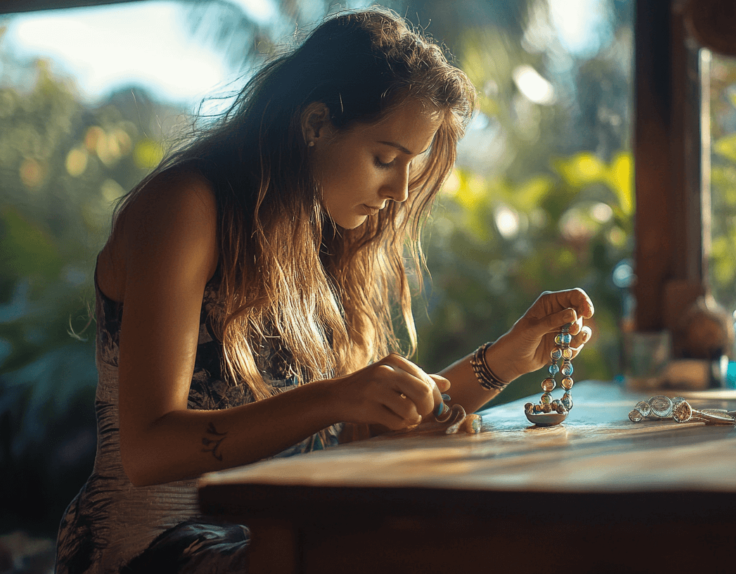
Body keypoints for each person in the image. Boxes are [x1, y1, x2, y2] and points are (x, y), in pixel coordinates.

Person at [55, 8, 594, 574]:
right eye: (385, 158)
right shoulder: (186, 207)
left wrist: (506, 359)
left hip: (282, 533)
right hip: (153, 553)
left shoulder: (324, 240)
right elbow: (147, 450)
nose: (401, 189)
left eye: (413, 165)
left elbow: (362, 428)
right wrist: (332, 396)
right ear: (314, 124)